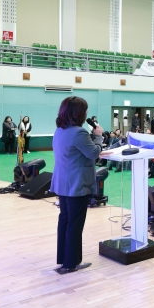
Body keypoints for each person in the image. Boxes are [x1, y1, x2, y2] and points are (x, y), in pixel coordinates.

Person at [51, 96, 105, 274]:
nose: (87, 113)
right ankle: (71, 263)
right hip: (77, 184)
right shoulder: (79, 132)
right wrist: (98, 137)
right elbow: (92, 153)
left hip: (63, 183)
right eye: (85, 110)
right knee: (75, 224)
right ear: (79, 113)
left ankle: (64, 260)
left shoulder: (60, 130)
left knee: (65, 221)